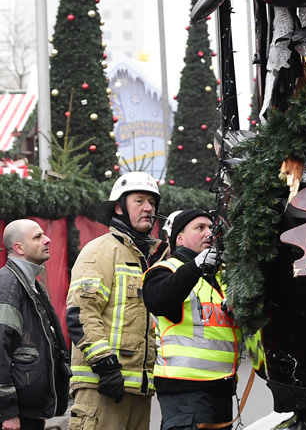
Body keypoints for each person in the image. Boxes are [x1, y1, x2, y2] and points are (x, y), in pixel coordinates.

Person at [66, 172, 167, 430]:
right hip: (101, 387)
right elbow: (81, 313)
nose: (148, 208)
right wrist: (105, 365)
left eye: (152, 203)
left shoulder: (150, 258)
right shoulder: (100, 251)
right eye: (139, 201)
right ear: (119, 208)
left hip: (138, 391)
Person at [143, 209, 242, 430]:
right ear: (179, 238)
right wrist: (195, 266)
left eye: (211, 228)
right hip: (184, 390)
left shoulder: (221, 276)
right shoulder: (165, 270)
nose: (209, 233)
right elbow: (159, 300)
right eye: (200, 228)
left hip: (222, 387)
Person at [0, 220, 70, 430]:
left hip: (29, 412)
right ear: (19, 248)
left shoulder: (30, 284)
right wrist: (8, 412)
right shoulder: (9, 287)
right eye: (38, 237)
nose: (48, 240)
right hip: (16, 416)